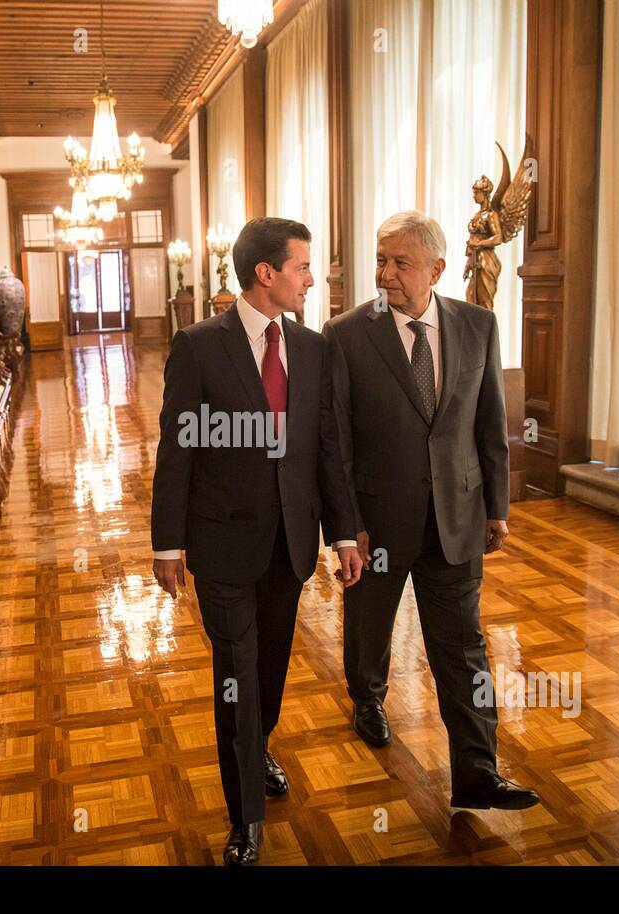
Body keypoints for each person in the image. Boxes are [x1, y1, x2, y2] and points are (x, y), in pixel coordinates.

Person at [151, 217, 364, 865]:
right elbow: (178, 447)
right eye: (303, 267)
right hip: (222, 548)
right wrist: (166, 543)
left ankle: (257, 747)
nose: (312, 278)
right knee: (236, 678)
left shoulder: (313, 347)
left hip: (290, 545)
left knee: (268, 670)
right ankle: (244, 821)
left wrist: (345, 531)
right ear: (266, 273)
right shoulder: (198, 346)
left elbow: (328, 448)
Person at [323, 210, 539, 812]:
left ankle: (477, 773)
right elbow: (335, 441)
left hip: (457, 518)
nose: (385, 273)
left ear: (437, 270)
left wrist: (497, 505)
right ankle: (367, 698)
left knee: (464, 647)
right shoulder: (345, 333)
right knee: (370, 628)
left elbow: (489, 424)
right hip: (377, 524)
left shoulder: (478, 326)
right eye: (381, 259)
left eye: (400, 262)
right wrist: (346, 529)